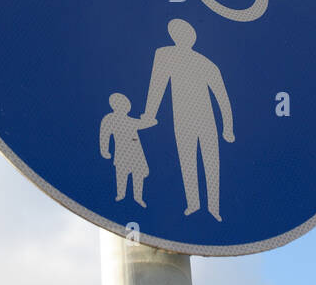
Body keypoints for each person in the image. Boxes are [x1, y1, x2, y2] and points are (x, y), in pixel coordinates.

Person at [140, 19, 234, 220]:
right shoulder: (165, 55)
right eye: (178, 33)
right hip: (183, 119)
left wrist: (228, 127)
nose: (184, 36)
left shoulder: (207, 63)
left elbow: (222, 98)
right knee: (188, 161)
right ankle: (193, 204)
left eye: (187, 33)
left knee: (211, 162)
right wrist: (150, 114)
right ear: (172, 35)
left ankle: (214, 208)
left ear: (193, 37)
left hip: (207, 120)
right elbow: (157, 86)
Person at [99, 93, 149, 206]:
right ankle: (121, 195)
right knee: (122, 173)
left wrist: (150, 121)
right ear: (114, 105)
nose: (126, 106)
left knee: (138, 173)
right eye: (122, 103)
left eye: (126, 104)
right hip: (122, 151)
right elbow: (104, 135)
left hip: (136, 151)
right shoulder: (110, 119)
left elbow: (141, 124)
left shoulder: (129, 120)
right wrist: (104, 150)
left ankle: (138, 197)